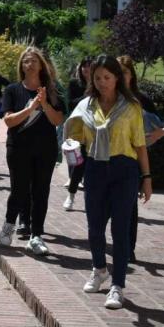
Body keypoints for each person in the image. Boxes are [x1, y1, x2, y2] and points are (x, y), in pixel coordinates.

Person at [65, 55, 151, 309]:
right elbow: (75, 137)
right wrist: (69, 145)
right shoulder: (86, 106)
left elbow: (140, 145)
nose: (102, 82)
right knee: (94, 227)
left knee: (120, 229)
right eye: (98, 77)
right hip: (95, 168)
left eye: (107, 77)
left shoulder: (131, 107)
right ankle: (99, 268)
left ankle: (118, 285)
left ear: (117, 78)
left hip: (125, 169)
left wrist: (146, 178)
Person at [0, 47, 65, 255]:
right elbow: (9, 120)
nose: (30, 63)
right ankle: (9, 225)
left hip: (45, 149)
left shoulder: (52, 91)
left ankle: (37, 236)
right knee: (19, 189)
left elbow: (57, 120)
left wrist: (44, 102)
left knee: (41, 192)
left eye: (34, 60)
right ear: (22, 66)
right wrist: (30, 108)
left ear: (41, 64)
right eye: (26, 60)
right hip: (19, 147)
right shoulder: (12, 90)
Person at [118, 55, 164, 263]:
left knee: (129, 204)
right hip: (110, 156)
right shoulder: (108, 96)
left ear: (131, 75)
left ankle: (128, 248)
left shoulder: (141, 98)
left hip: (135, 157)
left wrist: (158, 134)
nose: (121, 77)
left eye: (125, 72)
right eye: (117, 72)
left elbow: (162, 124)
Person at [62, 56, 93, 211]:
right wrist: (87, 96)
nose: (86, 69)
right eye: (84, 66)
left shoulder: (99, 84)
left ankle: (91, 200)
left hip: (95, 131)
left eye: (89, 66)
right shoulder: (75, 84)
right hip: (77, 130)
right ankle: (71, 196)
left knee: (92, 167)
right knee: (78, 165)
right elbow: (70, 103)